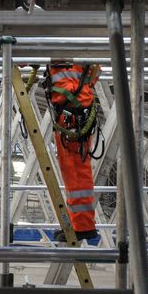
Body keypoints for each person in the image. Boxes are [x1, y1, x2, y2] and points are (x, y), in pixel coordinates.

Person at [44, 63, 101, 242]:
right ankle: (78, 224)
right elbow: (95, 73)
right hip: (75, 113)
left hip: (71, 116)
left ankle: (83, 226)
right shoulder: (83, 53)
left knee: (76, 174)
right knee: (73, 174)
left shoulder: (58, 46)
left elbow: (22, 55)